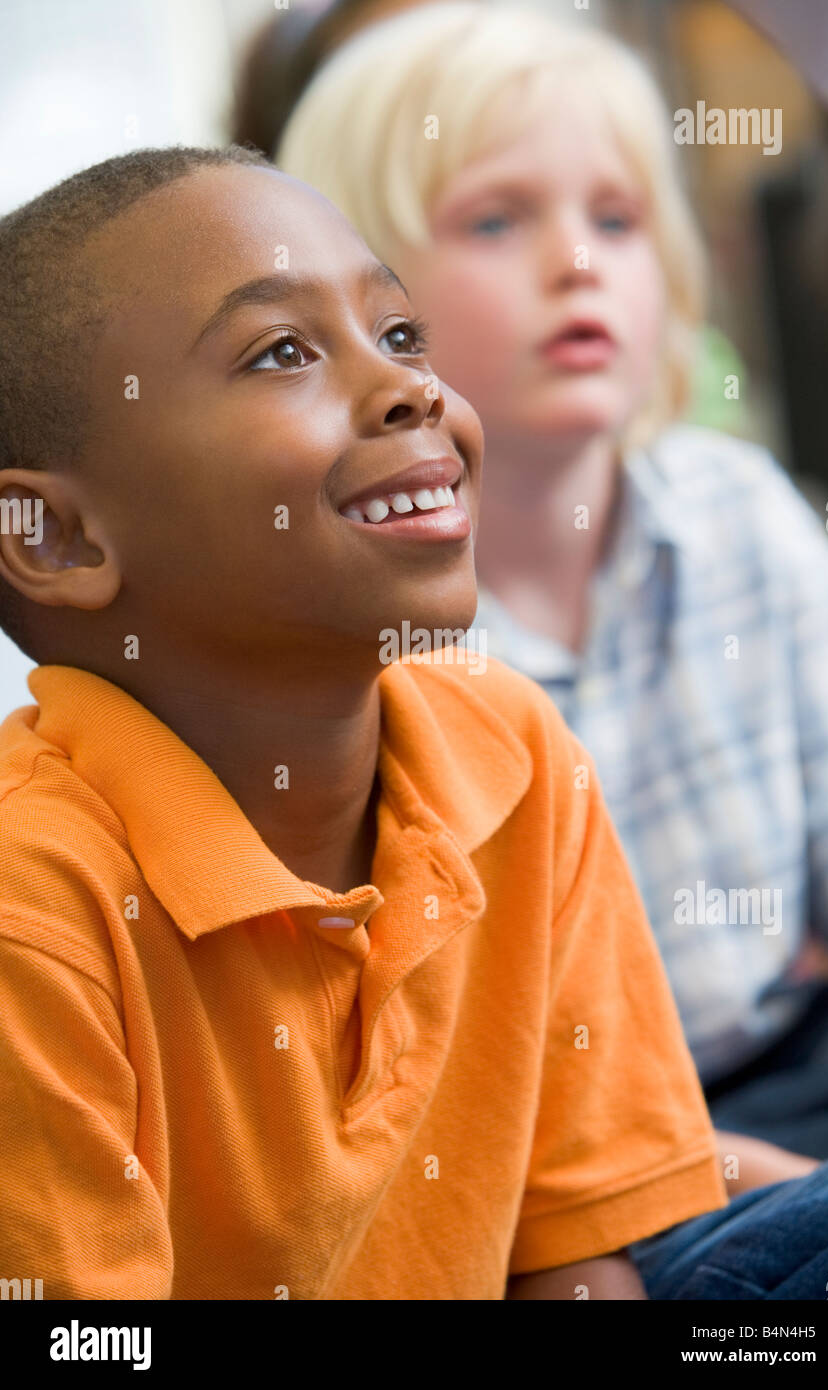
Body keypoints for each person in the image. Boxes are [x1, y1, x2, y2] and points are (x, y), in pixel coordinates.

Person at [0, 144, 732, 1300]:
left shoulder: (510, 751)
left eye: (400, 335)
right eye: (281, 351)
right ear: (60, 541)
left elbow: (577, 1257)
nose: (412, 391)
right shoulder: (31, 913)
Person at [276, 1, 828, 1174]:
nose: (578, 262)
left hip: (816, 1060)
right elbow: (467, 1081)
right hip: (569, 1157)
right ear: (360, 316)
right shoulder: (364, 647)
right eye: (495, 219)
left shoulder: (744, 511)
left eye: (617, 217)